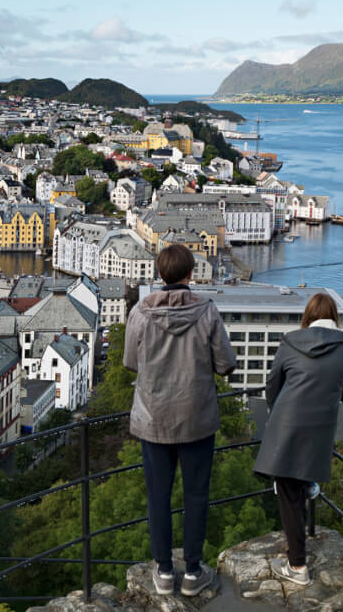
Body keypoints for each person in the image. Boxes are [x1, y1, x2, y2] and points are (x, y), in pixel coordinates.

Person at [123, 244, 237, 596]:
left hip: (153, 418)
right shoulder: (207, 312)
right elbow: (225, 363)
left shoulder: (140, 314)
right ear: (191, 274)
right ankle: (192, 571)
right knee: (196, 495)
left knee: (158, 495)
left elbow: (130, 362)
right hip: (196, 417)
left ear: (160, 274)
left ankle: (163, 570)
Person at [253, 292, 343, 586]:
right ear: (334, 317)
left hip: (288, 423)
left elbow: (273, 384)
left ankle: (297, 566)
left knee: (287, 492)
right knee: (298, 482)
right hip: (321, 424)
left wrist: (277, 411)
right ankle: (309, 485)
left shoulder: (289, 343)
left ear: (308, 317)